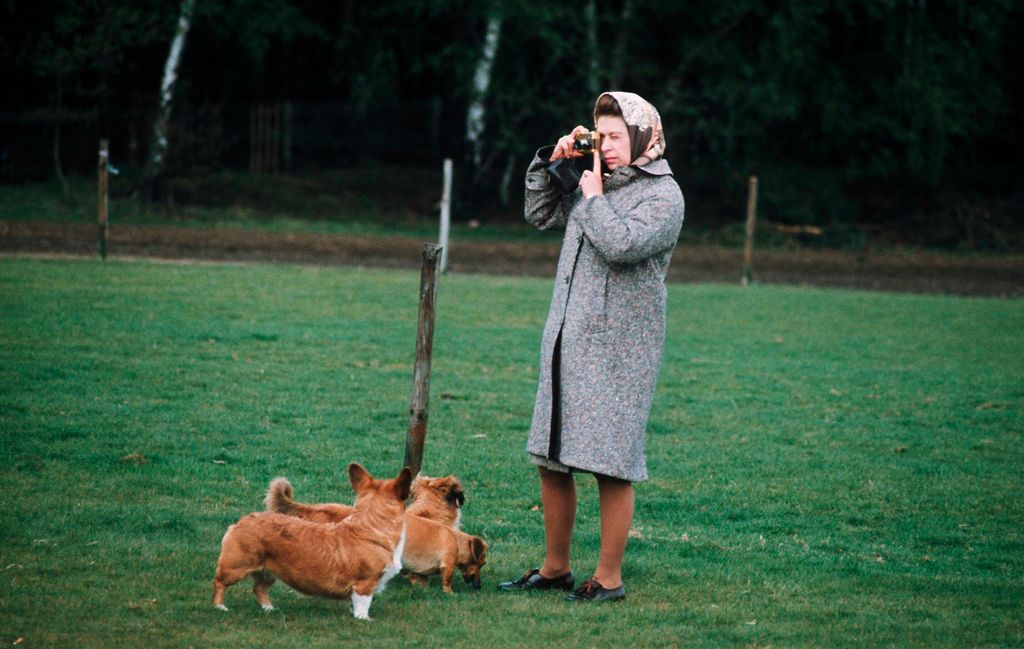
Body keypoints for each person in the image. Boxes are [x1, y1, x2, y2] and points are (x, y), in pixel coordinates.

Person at [497, 91, 684, 603]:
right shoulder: (591, 180)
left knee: (609, 462)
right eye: (602, 136)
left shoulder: (663, 196)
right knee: (552, 456)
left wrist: (595, 194)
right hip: (567, 337)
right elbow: (539, 214)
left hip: (620, 349)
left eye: (618, 137)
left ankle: (608, 579)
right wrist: (551, 164)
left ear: (646, 136)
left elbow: (621, 246)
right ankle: (555, 567)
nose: (609, 146)